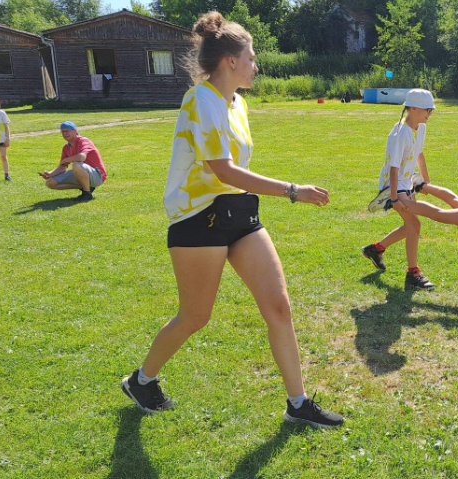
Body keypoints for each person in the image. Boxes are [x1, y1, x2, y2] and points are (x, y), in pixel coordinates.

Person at [121, 12, 344, 429]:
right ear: (231, 61)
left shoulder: (238, 103)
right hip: (198, 218)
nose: (256, 65)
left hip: (239, 214)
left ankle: (298, 403)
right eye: (252, 58)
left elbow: (235, 174)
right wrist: (293, 190)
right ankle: (141, 380)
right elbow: (223, 170)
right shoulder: (199, 100)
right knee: (195, 317)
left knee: (278, 306)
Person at [361, 89, 436, 291]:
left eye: (431, 110)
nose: (430, 114)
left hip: (406, 184)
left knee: (410, 226)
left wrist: (425, 181)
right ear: (413, 108)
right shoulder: (399, 134)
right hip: (392, 187)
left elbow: (419, 153)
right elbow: (393, 168)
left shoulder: (420, 128)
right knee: (414, 225)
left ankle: (376, 249)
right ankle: (413, 274)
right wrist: (394, 198)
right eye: (427, 110)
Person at [39, 121, 107, 202]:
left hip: (98, 176)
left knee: (76, 164)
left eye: (67, 131)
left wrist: (66, 159)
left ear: (75, 131)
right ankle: (85, 186)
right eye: (63, 132)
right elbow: (62, 167)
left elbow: (81, 157)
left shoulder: (84, 141)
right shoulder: (66, 148)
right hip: (82, 172)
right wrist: (50, 174)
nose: (65, 133)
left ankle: (87, 194)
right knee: (50, 183)